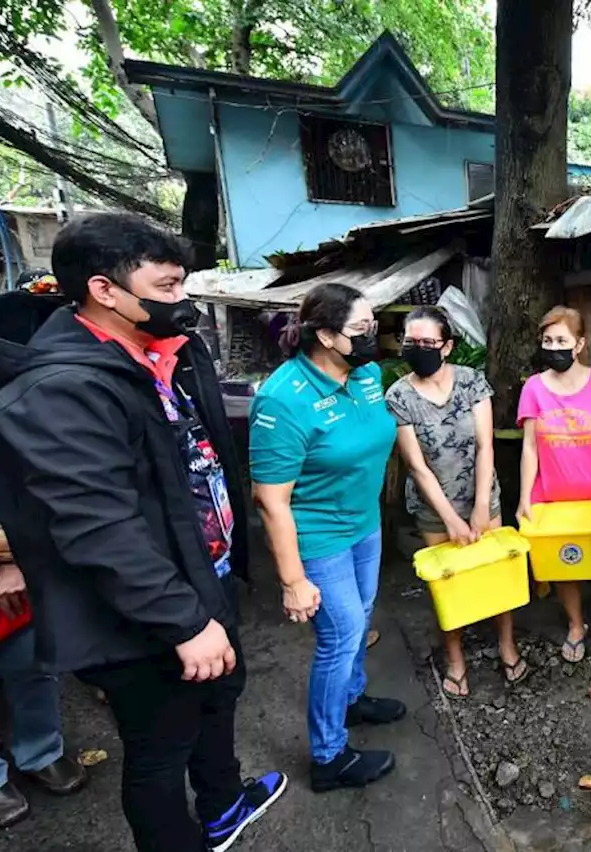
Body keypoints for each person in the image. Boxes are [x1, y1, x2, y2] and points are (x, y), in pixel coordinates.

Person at [0, 213, 285, 852]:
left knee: (218, 698)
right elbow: (97, 525)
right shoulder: (59, 389)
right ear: (105, 290)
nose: (182, 299)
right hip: (140, 611)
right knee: (158, 746)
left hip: (206, 575)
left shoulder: (169, 349)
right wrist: (182, 621)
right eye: (167, 285)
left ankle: (225, 804)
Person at [250, 283, 403, 793]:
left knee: (360, 620)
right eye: (360, 330)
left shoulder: (368, 375)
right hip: (319, 537)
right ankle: (328, 756)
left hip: (364, 524)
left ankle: (352, 699)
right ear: (324, 335)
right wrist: (293, 580)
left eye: (372, 326)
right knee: (339, 637)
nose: (371, 338)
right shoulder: (283, 399)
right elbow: (271, 500)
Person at [387, 307, 525, 698]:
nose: (417, 349)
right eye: (410, 342)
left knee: (496, 576)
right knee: (448, 587)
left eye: (427, 342)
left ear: (447, 347)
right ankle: (455, 659)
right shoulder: (399, 395)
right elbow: (416, 466)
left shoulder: (471, 382)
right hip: (434, 509)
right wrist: (449, 518)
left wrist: (481, 506)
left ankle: (507, 644)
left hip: (484, 496)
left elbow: (485, 446)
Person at [0, 390, 86, 829]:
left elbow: (32, 489)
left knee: (32, 663)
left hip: (3, 571)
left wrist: (17, 560)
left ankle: (41, 750)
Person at [517, 306, 591, 665]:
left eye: (562, 340)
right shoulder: (533, 388)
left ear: (579, 343)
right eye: (548, 340)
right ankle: (576, 625)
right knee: (564, 563)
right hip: (550, 496)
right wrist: (523, 498)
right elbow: (530, 447)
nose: (554, 347)